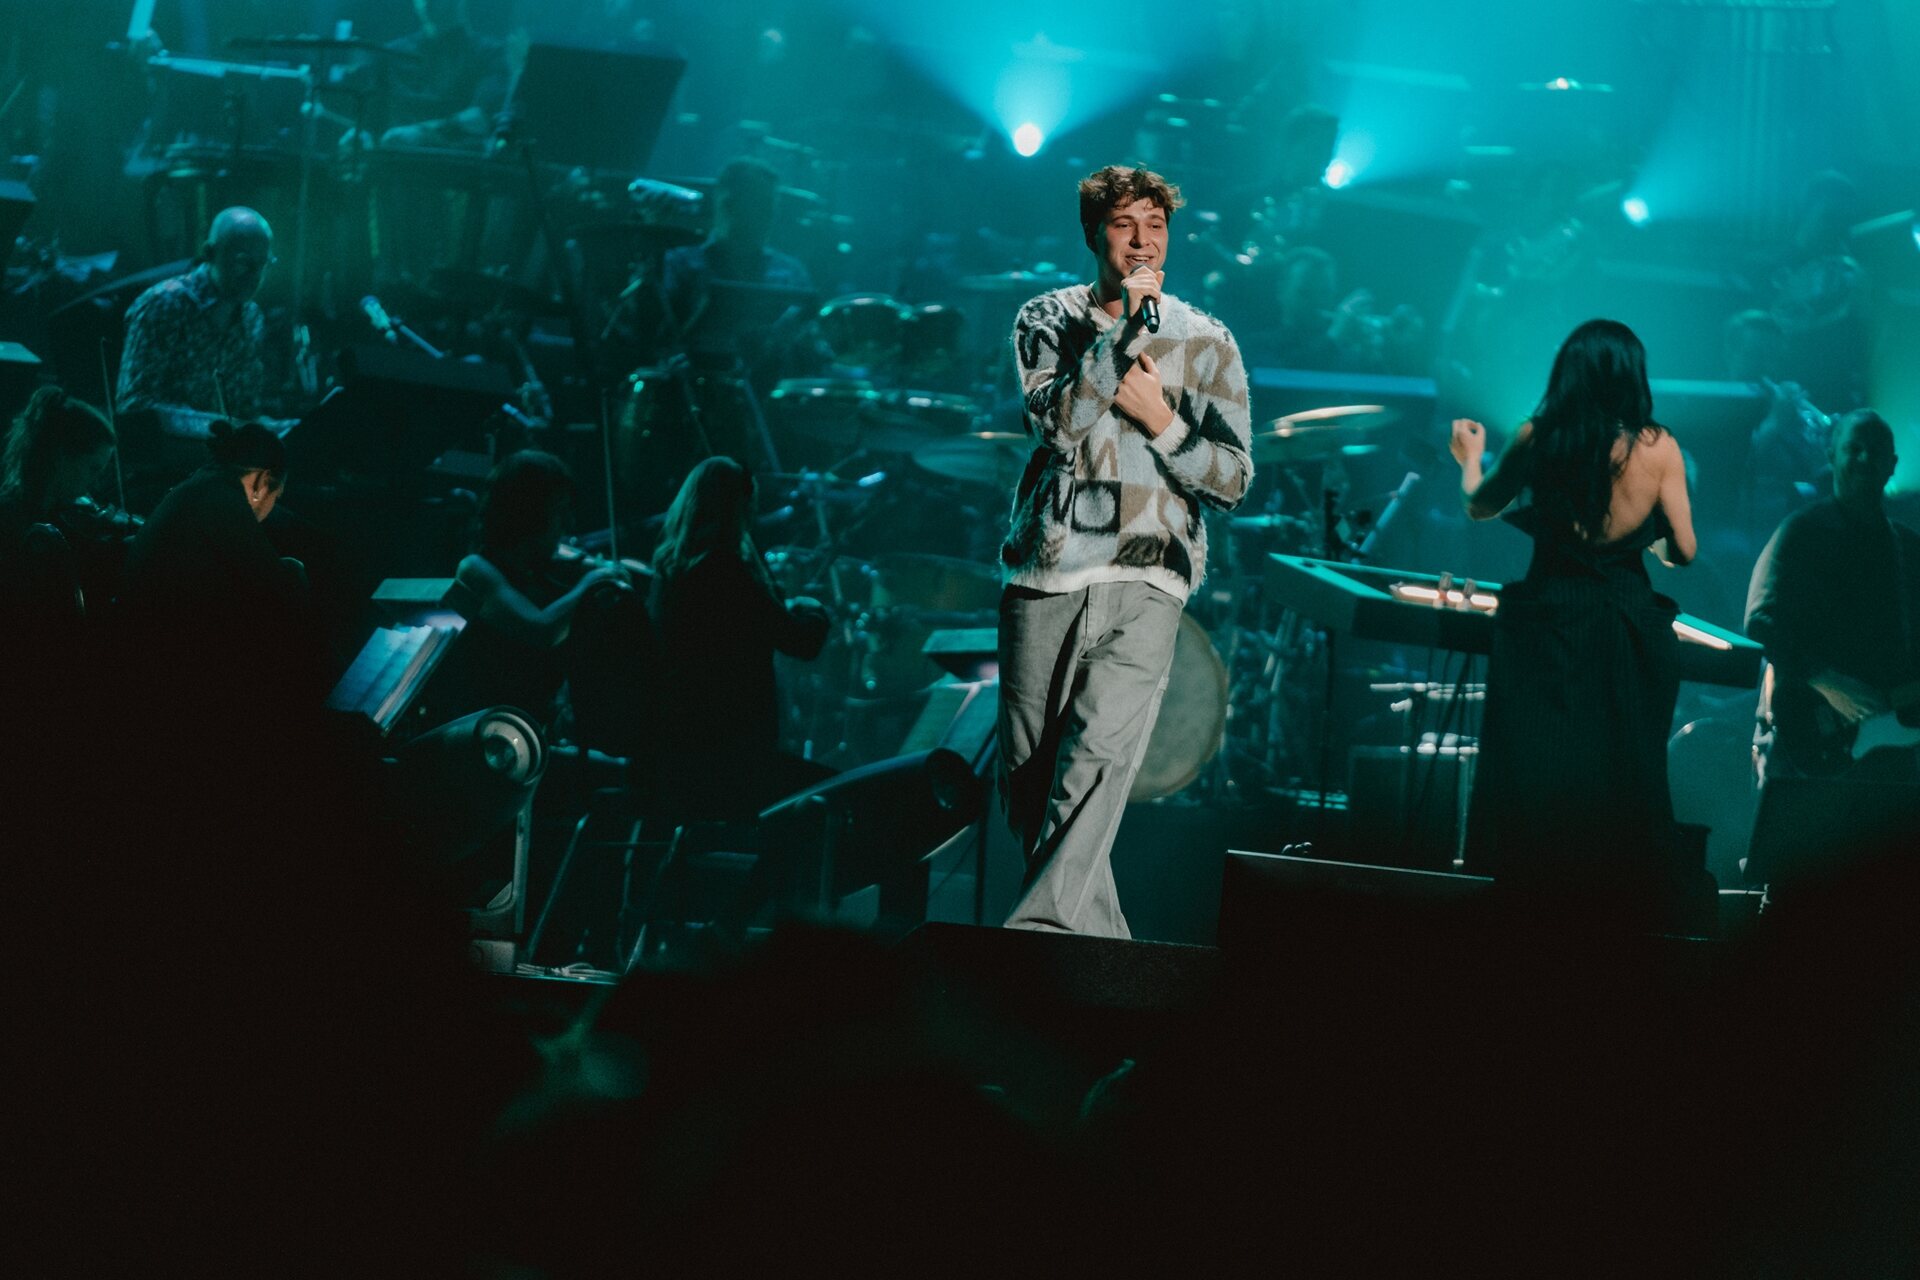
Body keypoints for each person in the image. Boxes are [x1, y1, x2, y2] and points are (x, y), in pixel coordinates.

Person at [997, 164, 1254, 937]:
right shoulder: (1046, 317)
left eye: (1156, 226)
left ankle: (1037, 938)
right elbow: (1058, 424)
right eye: (1124, 225)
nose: (1143, 241)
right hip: (1047, 572)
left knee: (1095, 765)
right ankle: (1104, 954)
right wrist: (1125, 338)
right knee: (1032, 787)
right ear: (1093, 235)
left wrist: (1163, 422)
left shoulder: (1208, 341)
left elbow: (1233, 480)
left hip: (1150, 574)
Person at [1450, 318, 1700, 928]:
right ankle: (1619, 923)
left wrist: (1470, 458)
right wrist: (1640, 535)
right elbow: (1684, 551)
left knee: (1540, 769)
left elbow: (1480, 505)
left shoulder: (1541, 435)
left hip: (1550, 621)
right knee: (1624, 775)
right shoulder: (1659, 447)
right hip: (1627, 626)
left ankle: (1531, 917)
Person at [648, 456, 833, 817]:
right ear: (741, 509)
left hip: (675, 748)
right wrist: (814, 610)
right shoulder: (726, 570)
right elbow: (801, 642)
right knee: (836, 800)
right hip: (730, 756)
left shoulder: (669, 572)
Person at [1745, 410, 1920, 783]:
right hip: (1810, 736)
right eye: (1854, 448)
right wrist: (1828, 683)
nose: (1865, 458)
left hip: (1892, 742)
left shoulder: (1908, 548)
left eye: (1876, 451)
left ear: (1892, 464)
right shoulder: (1801, 532)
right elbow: (1761, 622)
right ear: (1832, 456)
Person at [441, 451, 630, 731]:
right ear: (529, 513)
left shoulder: (544, 567)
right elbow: (540, 630)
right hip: (488, 729)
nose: (568, 523)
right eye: (559, 511)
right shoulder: (477, 569)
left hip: (538, 727)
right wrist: (592, 582)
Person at [116, 207, 277, 435]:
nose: (255, 276)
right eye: (243, 263)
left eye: (263, 265)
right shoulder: (163, 305)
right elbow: (133, 405)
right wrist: (211, 427)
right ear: (210, 253)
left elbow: (246, 410)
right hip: (166, 454)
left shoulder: (252, 318)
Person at [0, 386, 117, 632]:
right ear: (61, 455)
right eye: (93, 468)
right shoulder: (10, 522)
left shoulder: (58, 517)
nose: (95, 484)